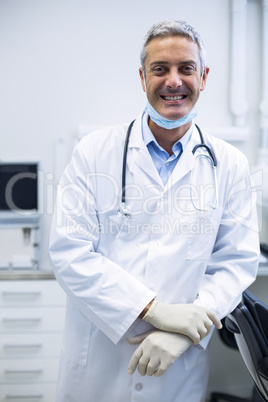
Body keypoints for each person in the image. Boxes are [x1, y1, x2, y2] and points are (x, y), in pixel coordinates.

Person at [49, 20, 259, 402]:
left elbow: (236, 262)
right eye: (160, 69)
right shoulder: (94, 153)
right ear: (142, 76)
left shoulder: (228, 164)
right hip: (99, 365)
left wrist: (183, 330)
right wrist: (153, 310)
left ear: (204, 76)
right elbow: (69, 252)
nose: (173, 81)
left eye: (186, 68)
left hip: (175, 371)